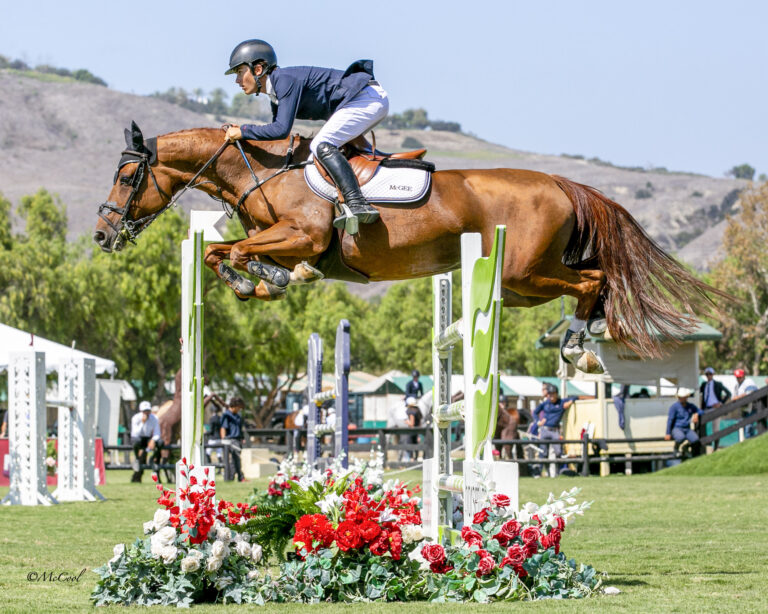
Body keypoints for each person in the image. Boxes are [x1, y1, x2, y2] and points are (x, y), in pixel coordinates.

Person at [223, 39, 387, 229]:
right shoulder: (276, 92)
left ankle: (357, 203)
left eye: (240, 72)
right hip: (362, 98)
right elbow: (278, 134)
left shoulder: (284, 80)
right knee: (327, 146)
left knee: (320, 144)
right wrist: (243, 133)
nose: (237, 80)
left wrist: (243, 131)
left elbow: (280, 129)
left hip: (365, 98)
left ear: (258, 70)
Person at [533, 384, 578, 476]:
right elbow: (535, 412)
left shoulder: (561, 402)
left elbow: (576, 397)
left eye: (553, 394)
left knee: (558, 452)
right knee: (543, 452)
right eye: (550, 394)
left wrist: (570, 402)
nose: (551, 396)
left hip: (554, 430)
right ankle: (542, 472)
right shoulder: (545, 404)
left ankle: (556, 473)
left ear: (557, 394)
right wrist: (538, 421)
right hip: (544, 429)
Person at [130, 401, 163, 483]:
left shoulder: (154, 418)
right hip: (138, 438)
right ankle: (137, 459)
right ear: (141, 411)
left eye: (148, 410)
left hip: (148, 438)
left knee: (160, 442)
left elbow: (157, 433)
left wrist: (153, 440)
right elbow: (135, 433)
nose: (147, 413)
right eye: (145, 411)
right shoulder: (136, 418)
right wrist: (142, 423)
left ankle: (153, 458)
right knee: (136, 442)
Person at [665, 388, 702, 457]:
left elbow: (700, 411)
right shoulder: (674, 407)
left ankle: (685, 447)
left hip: (687, 428)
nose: (682, 399)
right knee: (680, 437)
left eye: (684, 397)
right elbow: (670, 420)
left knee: (696, 440)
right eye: (681, 397)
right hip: (677, 428)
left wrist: (696, 414)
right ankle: (676, 448)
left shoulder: (690, 406)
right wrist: (668, 433)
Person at [698, 367, 731, 446]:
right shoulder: (704, 384)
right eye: (707, 374)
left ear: (713, 375)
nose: (709, 376)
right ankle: (706, 443)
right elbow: (697, 392)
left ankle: (716, 446)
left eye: (710, 374)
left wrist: (720, 403)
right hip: (706, 408)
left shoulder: (717, 384)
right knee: (701, 425)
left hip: (715, 408)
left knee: (715, 428)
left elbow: (728, 393)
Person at [220, 397, 246, 482]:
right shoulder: (227, 415)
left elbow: (240, 428)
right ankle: (236, 477)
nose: (239, 410)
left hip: (237, 439)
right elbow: (223, 427)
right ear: (234, 406)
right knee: (234, 460)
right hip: (230, 440)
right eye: (238, 408)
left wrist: (242, 438)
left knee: (236, 459)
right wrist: (223, 439)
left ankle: (234, 477)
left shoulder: (238, 415)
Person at [732, 368, 759, 437]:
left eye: (740, 377)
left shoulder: (748, 381)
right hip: (743, 410)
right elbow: (733, 398)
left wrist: (738, 397)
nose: (738, 379)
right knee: (742, 429)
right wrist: (736, 398)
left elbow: (750, 393)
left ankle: (751, 444)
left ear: (743, 376)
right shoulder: (736, 386)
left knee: (748, 428)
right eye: (737, 377)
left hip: (752, 408)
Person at [404, 397, 423, 461]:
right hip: (417, 431)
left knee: (410, 446)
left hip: (412, 431)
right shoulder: (418, 410)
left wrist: (407, 422)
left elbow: (412, 423)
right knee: (416, 447)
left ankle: (412, 460)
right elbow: (420, 423)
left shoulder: (411, 411)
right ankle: (416, 459)